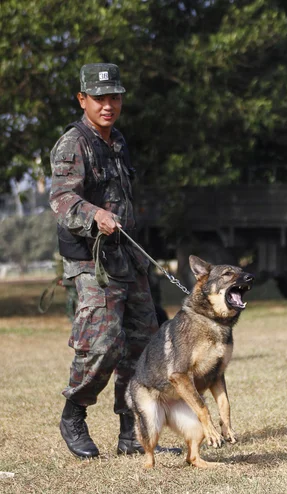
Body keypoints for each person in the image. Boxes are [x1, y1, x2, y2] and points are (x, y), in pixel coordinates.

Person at [49, 63, 181, 459]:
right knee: (103, 343)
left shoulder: (117, 140)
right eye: (100, 98)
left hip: (127, 259)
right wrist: (95, 215)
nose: (108, 105)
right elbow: (62, 199)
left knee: (144, 346)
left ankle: (131, 434)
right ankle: (73, 413)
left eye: (114, 97)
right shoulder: (73, 143)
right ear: (83, 100)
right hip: (92, 262)